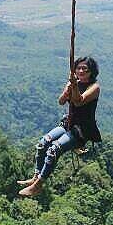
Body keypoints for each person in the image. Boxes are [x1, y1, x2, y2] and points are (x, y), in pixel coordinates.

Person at [17, 56, 102, 197]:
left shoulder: (94, 87)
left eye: (84, 69)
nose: (81, 71)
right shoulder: (74, 82)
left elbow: (79, 101)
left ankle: (38, 185)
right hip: (68, 123)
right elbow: (62, 101)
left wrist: (74, 86)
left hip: (81, 130)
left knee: (54, 149)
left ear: (91, 72)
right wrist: (69, 87)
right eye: (78, 68)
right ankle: (35, 177)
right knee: (42, 143)